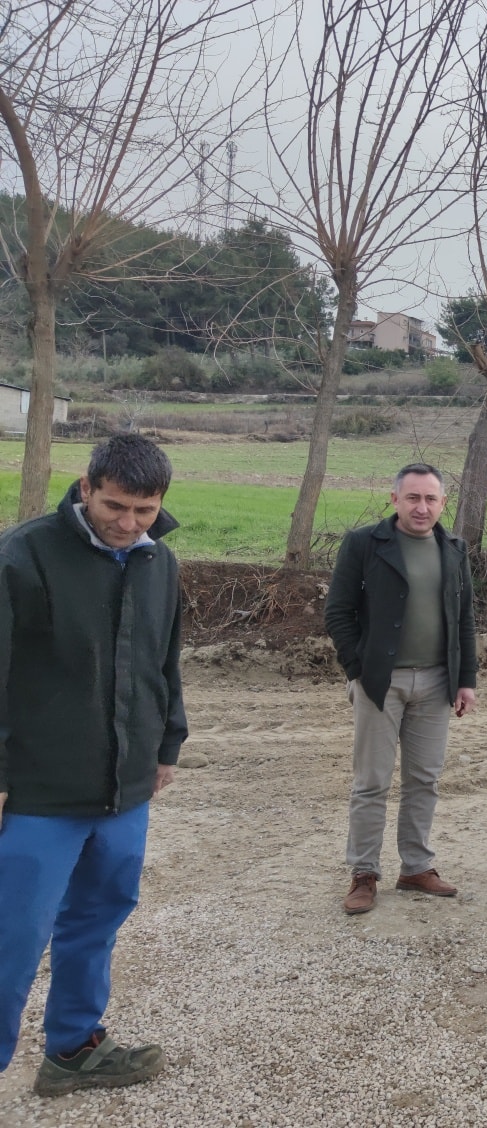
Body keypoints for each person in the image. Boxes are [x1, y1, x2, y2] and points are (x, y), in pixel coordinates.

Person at [0, 434, 185, 1096]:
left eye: (143, 510)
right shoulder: (23, 556)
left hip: (124, 790)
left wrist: (167, 746)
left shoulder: (158, 562)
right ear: (86, 487)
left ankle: (73, 1049)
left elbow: (165, 663)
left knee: (97, 919)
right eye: (115, 506)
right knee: (10, 940)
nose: (128, 523)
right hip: (36, 794)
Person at [325, 462, 477, 915]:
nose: (422, 507)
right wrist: (359, 669)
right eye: (413, 497)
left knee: (424, 780)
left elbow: (464, 619)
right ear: (394, 499)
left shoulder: (454, 548)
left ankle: (415, 866)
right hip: (379, 683)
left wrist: (466, 679)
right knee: (371, 782)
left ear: (443, 503)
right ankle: (363, 874)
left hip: (436, 683)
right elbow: (338, 613)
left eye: (431, 498)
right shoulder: (363, 545)